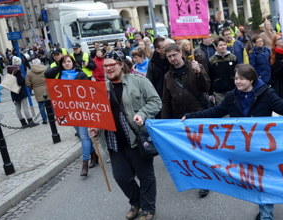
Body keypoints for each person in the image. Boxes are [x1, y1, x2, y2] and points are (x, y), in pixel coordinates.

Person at [183, 64, 283, 220]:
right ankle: (263, 208)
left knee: (263, 181)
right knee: (252, 182)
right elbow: (214, 112)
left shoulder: (266, 94)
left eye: (241, 79)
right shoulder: (231, 97)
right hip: (243, 148)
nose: (237, 82)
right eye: (236, 79)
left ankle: (266, 215)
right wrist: (192, 116)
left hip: (263, 147)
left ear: (251, 79)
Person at [89, 51, 161, 220]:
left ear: (121, 64)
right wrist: (95, 128)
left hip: (136, 139)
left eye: (112, 64)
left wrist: (142, 114)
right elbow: (99, 115)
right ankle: (136, 203)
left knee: (146, 176)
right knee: (121, 177)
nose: (108, 68)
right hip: (114, 142)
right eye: (105, 66)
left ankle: (148, 208)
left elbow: (156, 102)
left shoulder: (139, 81)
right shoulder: (102, 89)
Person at [161, 43, 211, 199]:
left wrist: (199, 72)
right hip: (180, 118)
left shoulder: (195, 66)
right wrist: (165, 123)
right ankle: (195, 177)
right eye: (169, 57)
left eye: (174, 55)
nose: (172, 59)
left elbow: (206, 87)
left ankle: (204, 181)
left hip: (198, 114)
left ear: (180, 53)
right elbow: (166, 100)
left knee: (200, 149)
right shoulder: (168, 76)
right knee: (188, 150)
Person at [44, 55, 98, 176]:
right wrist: (59, 66)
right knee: (81, 134)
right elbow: (47, 75)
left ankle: (85, 164)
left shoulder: (81, 75)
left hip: (82, 110)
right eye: (64, 62)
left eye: (69, 61)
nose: (67, 64)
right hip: (68, 111)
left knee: (84, 136)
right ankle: (94, 155)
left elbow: (89, 91)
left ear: (73, 62)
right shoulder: (59, 74)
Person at [7, 56, 38, 128]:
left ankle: (23, 123)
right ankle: (30, 121)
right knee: (25, 106)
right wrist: (24, 81)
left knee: (18, 107)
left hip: (13, 91)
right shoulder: (17, 70)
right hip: (20, 91)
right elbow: (20, 81)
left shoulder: (9, 70)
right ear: (19, 63)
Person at [208, 37, 237, 104]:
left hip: (232, 89)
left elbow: (237, 73)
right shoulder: (212, 60)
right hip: (219, 92)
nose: (223, 47)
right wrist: (210, 93)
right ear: (216, 47)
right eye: (220, 45)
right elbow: (210, 76)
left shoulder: (233, 58)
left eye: (224, 44)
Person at [25, 58, 49, 124]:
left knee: (41, 105)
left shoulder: (29, 72)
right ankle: (52, 117)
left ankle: (44, 120)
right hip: (47, 88)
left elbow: (27, 83)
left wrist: (32, 87)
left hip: (37, 90)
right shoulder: (45, 69)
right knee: (49, 104)